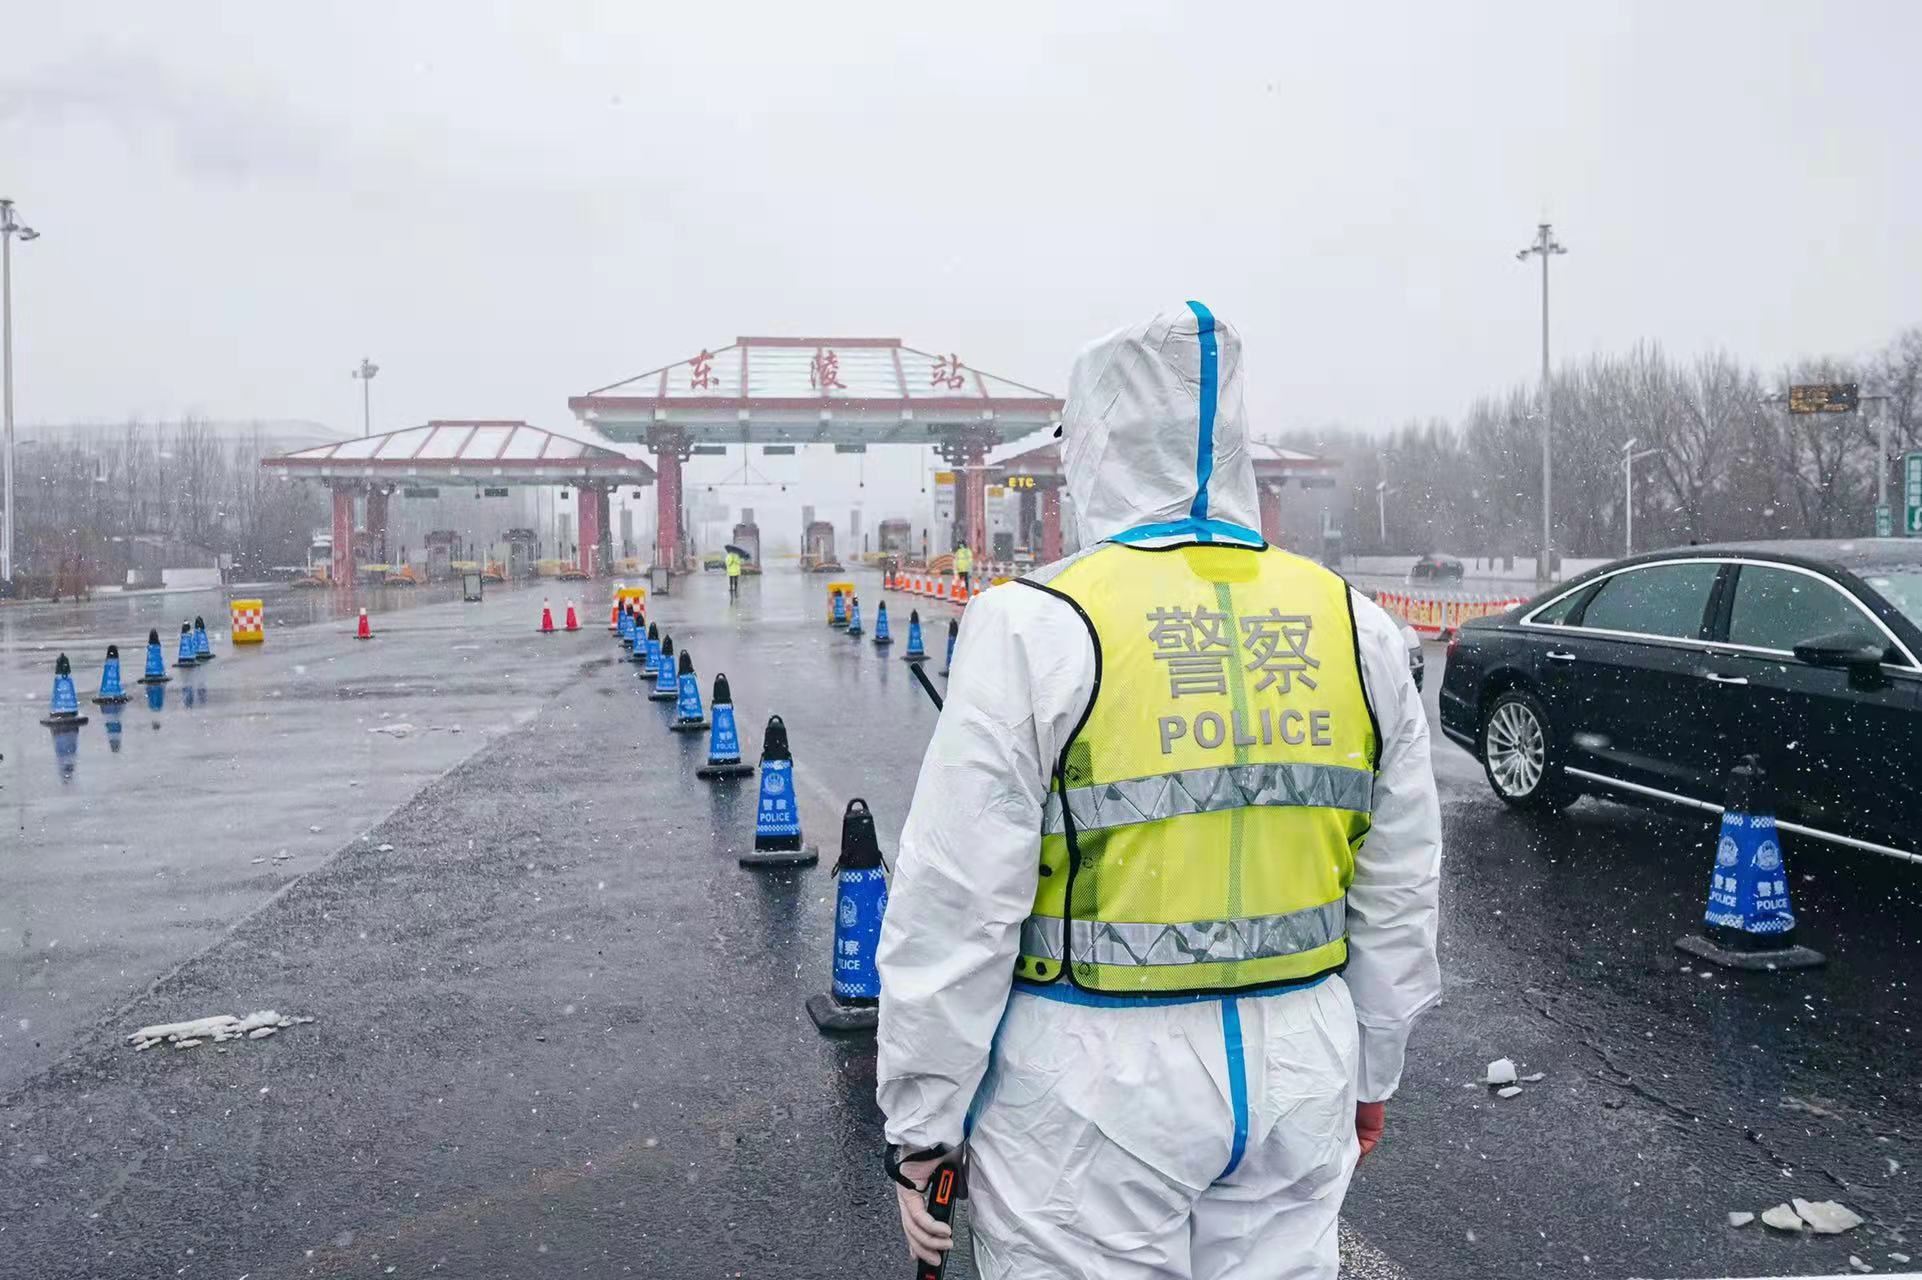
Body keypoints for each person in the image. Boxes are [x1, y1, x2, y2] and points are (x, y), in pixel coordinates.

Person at [876, 303, 1442, 1280]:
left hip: (1091, 1081)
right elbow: (1397, 888)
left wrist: (922, 1125)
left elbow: (959, 900)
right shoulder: (1355, 624)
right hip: (1299, 1063)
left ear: (1088, 447)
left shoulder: (1037, 623)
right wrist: (1369, 1065)